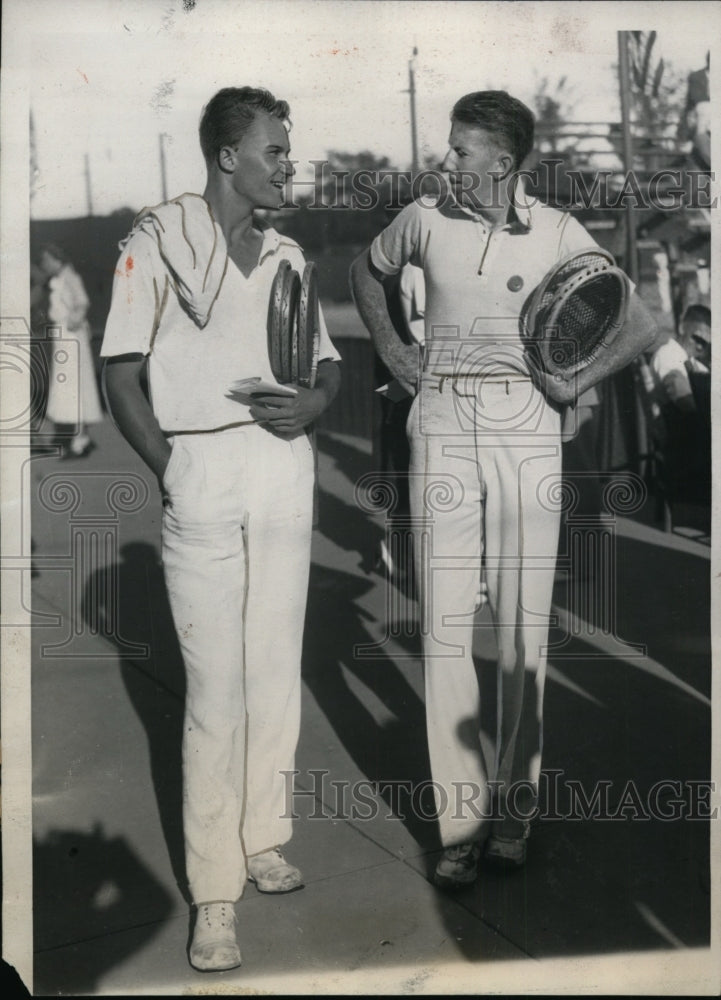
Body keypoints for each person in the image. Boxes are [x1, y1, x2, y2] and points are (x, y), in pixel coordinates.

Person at [350, 90, 656, 890]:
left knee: (523, 631)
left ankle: (513, 815)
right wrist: (392, 349)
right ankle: (460, 827)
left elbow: (642, 325)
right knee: (445, 628)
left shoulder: (557, 231)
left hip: (526, 433)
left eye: (460, 150)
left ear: (503, 163)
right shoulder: (422, 217)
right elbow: (366, 268)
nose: (446, 161)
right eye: (448, 148)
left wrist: (573, 381)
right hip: (442, 424)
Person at [101, 87, 341, 972]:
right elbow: (119, 376)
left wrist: (314, 404)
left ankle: (262, 836)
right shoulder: (156, 240)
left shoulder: (285, 252)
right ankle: (213, 894)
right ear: (228, 154)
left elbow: (325, 366)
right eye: (276, 148)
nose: (289, 162)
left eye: (289, 146)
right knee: (214, 694)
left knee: (276, 671)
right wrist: (176, 471)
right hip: (200, 467)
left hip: (284, 470)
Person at [39, 243, 104, 457]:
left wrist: (73, 323)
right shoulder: (58, 279)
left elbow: (82, 302)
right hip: (64, 339)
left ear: (57, 259)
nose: (45, 265)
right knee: (68, 389)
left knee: (75, 388)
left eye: (47, 260)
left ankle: (80, 441)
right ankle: (77, 439)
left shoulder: (70, 277)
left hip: (71, 339)